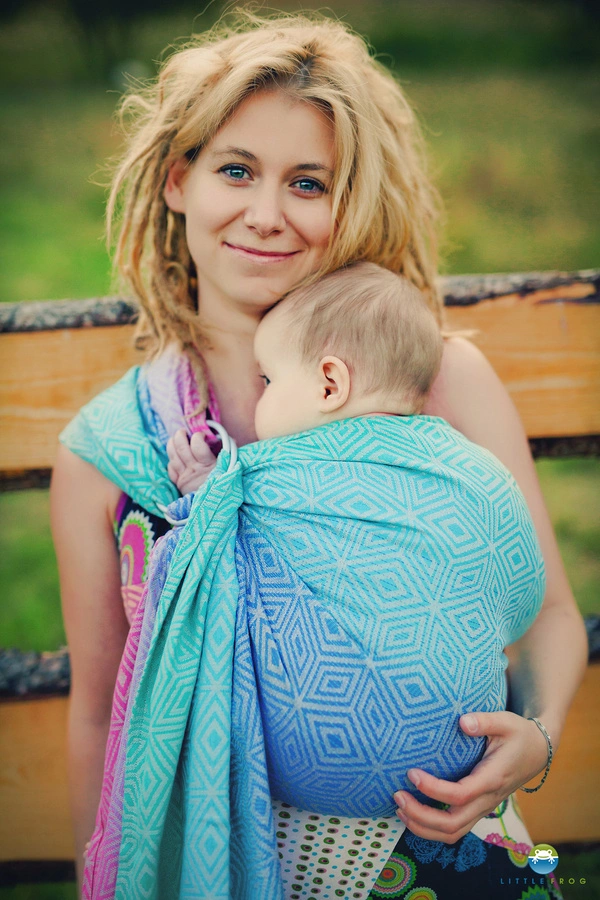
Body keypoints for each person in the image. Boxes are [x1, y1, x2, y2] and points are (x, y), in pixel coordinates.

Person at [50, 12, 587, 900]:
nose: (266, 215)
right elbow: (101, 716)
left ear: (352, 201)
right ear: (178, 180)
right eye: (235, 170)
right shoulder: (114, 455)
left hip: (437, 845)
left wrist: (539, 738)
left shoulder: (437, 384)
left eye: (308, 183)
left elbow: (551, 613)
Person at [167, 262, 445, 489]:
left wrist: (207, 490)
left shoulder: (291, 471)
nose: (260, 395)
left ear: (329, 387)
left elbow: (244, 532)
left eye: (268, 380)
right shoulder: (444, 455)